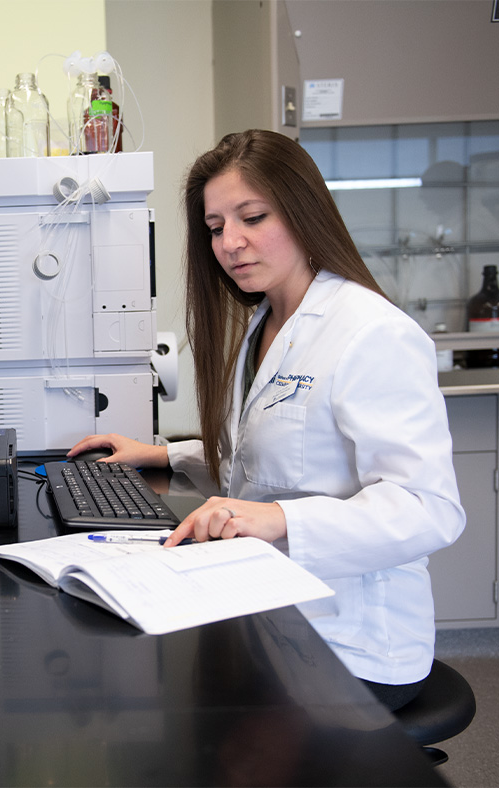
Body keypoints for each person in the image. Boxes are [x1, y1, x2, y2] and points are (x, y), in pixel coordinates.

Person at [68, 129, 465, 711]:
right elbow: (274, 449)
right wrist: (163, 454)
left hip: (353, 641)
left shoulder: (371, 332)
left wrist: (278, 521)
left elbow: (430, 510)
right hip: (272, 611)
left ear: (304, 213)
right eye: (215, 227)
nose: (231, 242)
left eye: (252, 217)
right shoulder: (267, 322)